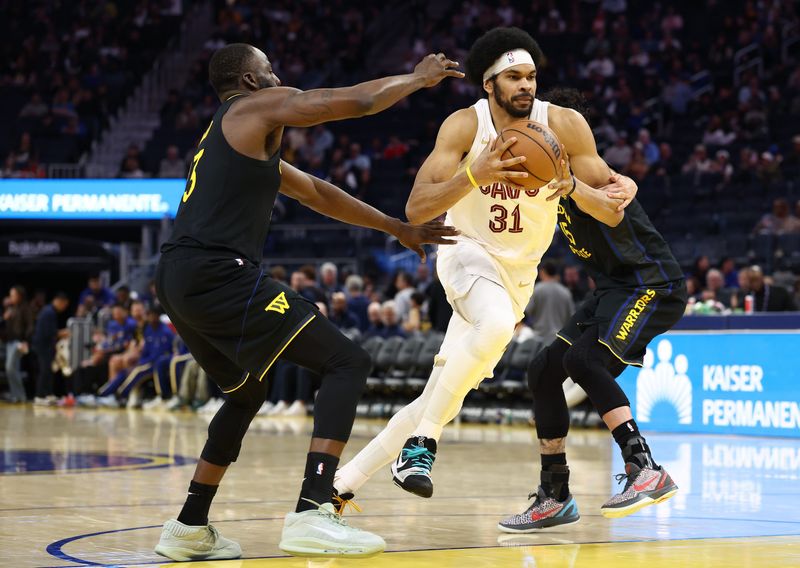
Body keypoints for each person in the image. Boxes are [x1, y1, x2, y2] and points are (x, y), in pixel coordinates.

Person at [152, 42, 462, 561]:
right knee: (347, 360)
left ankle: (188, 526)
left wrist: (395, 227)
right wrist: (416, 79)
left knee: (246, 394)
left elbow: (317, 193)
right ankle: (312, 511)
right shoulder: (253, 109)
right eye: (269, 70)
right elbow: (351, 103)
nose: (278, 77)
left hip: (177, 278)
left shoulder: (234, 140)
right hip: (215, 272)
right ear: (250, 82)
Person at [333, 28, 636, 504]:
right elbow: (415, 208)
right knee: (495, 326)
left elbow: (611, 205)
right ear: (488, 84)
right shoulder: (464, 126)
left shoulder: (565, 125)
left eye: (531, 76)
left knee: (436, 397)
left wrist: (592, 186)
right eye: (513, 77)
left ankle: (338, 487)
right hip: (466, 252)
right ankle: (422, 447)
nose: (526, 86)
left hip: (519, 275)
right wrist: (477, 173)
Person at [498, 87, 687, 533]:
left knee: (583, 360)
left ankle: (646, 468)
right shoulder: (542, 174)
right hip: (611, 288)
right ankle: (556, 494)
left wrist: (577, 186)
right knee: (544, 369)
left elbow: (614, 211)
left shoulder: (589, 168)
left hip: (650, 282)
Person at [31, 292, 70, 405]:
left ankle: (48, 394)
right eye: (64, 305)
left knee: (49, 371)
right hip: (43, 346)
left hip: (46, 346)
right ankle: (40, 396)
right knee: (45, 371)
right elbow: (49, 332)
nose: (64, 308)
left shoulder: (49, 311)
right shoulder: (49, 312)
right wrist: (62, 333)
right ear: (59, 301)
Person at [524, 261, 574, 344]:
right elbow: (570, 317)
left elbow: (527, 312)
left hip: (539, 338)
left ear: (542, 272)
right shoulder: (565, 292)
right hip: (558, 339)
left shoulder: (538, 289)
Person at [3, 286, 34, 403]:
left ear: (19, 295)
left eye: (13, 295)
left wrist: (26, 340)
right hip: (10, 341)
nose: (11, 297)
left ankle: (20, 395)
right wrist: (5, 318)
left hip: (19, 342)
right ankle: (17, 395)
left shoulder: (26, 308)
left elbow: (30, 326)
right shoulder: (11, 308)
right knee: (12, 368)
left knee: (10, 367)